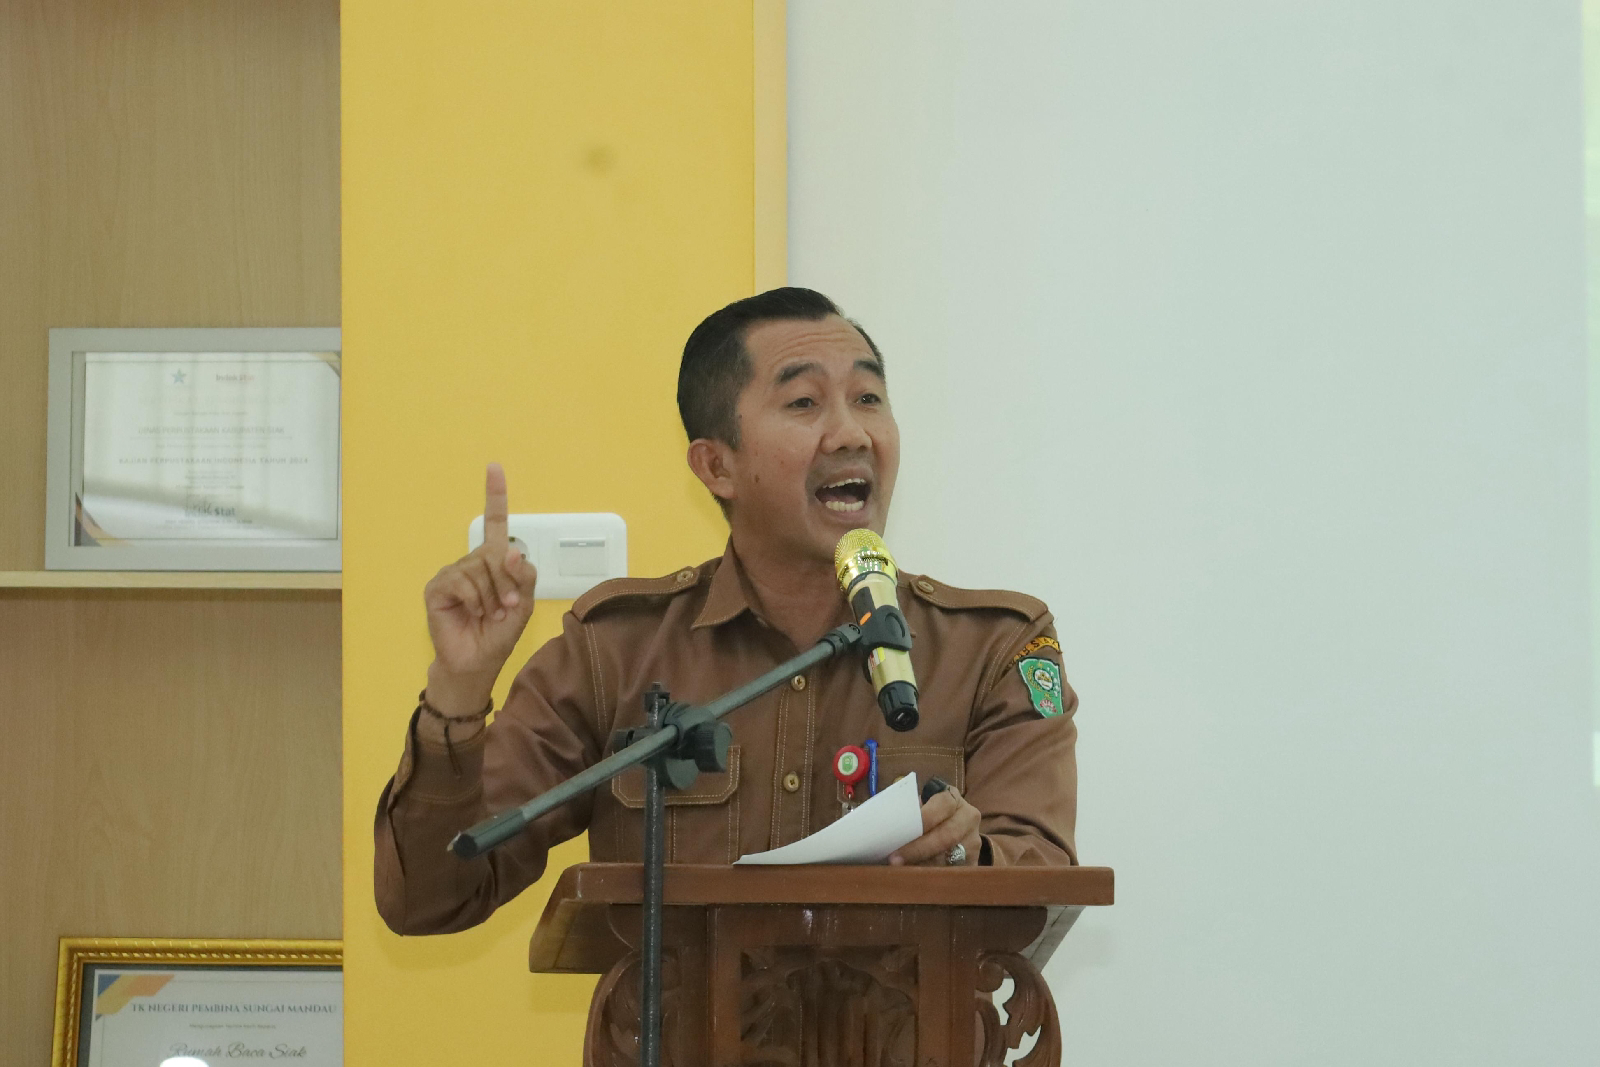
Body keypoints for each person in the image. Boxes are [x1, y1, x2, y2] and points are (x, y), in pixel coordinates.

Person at [375, 287, 1078, 936]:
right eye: (804, 403)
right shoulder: (615, 652)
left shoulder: (992, 650)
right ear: (716, 466)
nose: (851, 434)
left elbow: (1044, 877)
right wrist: (457, 693)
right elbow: (429, 898)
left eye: (868, 398)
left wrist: (968, 853)